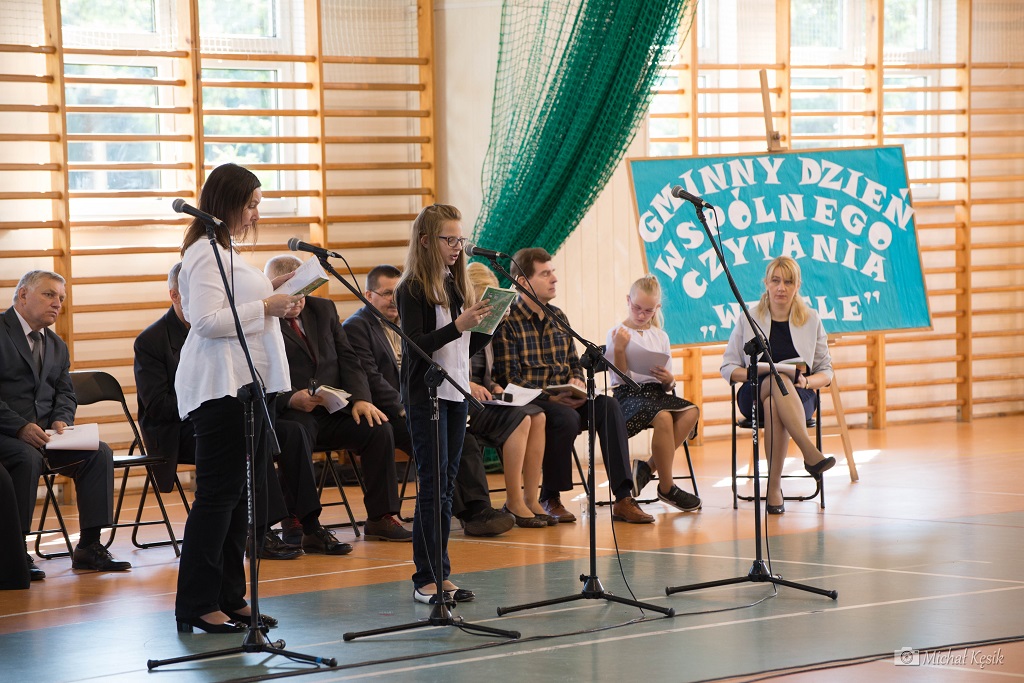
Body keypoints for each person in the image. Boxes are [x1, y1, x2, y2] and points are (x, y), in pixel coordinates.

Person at [172, 162, 303, 634]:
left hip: (246, 386)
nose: (255, 214)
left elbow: (237, 306)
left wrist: (277, 295)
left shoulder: (225, 251)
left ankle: (230, 596)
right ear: (227, 203)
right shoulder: (203, 253)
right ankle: (196, 603)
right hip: (219, 387)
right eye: (250, 205)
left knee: (237, 499)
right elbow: (206, 321)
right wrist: (266, 305)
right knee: (217, 498)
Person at [133, 262, 311, 561]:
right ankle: (260, 532)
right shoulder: (151, 340)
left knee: (290, 431)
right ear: (175, 295)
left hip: (225, 414)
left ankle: (307, 523)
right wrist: (208, 401)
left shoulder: (224, 325)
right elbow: (157, 405)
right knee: (243, 438)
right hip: (179, 428)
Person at [343, 265, 515, 538]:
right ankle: (468, 515)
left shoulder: (406, 321)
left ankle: (479, 509)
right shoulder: (357, 326)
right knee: (437, 443)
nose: (393, 300)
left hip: (424, 400)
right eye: (386, 293)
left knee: (464, 439)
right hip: (389, 411)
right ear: (368, 295)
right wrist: (402, 407)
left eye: (396, 293)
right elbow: (371, 378)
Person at [492, 248, 653, 524]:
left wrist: (577, 381)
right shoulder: (508, 321)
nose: (554, 278)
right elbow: (509, 377)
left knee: (608, 406)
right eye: (545, 273)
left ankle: (623, 498)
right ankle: (549, 497)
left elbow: (573, 363)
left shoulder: (558, 316)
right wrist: (550, 396)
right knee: (565, 417)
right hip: (532, 402)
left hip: (567, 397)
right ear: (522, 282)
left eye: (553, 272)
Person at [263, 254, 411, 544]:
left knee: (379, 428)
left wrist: (361, 399)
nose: (300, 300)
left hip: (333, 409)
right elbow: (257, 372)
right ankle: (297, 518)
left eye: (305, 292)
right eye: (293, 294)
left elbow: (349, 359)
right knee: (297, 433)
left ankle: (381, 517)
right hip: (290, 412)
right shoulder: (263, 319)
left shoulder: (324, 309)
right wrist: (290, 399)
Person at [0, 270, 132, 581]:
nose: (57, 303)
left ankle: (89, 547)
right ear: (23, 295)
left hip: (46, 436)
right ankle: (14, 551)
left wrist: (62, 419)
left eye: (61, 298)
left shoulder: (57, 345)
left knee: (98, 453)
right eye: (49, 294)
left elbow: (65, 393)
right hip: (6, 433)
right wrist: (20, 427)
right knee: (26, 457)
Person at [396, 203, 496, 605]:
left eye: (460, 239)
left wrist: (488, 324)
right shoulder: (412, 288)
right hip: (426, 396)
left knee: (447, 482)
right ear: (425, 241)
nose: (457, 246)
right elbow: (416, 345)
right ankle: (426, 577)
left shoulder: (454, 283)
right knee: (433, 485)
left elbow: (461, 347)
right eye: (449, 239)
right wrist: (459, 325)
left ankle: (442, 573)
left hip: (456, 393)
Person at [720, 255, 836, 514]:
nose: (781, 287)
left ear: (797, 286)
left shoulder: (811, 319)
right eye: (775, 281)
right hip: (753, 392)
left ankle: (774, 489)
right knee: (777, 377)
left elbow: (826, 371)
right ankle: (809, 452)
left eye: (788, 282)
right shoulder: (749, 318)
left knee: (775, 402)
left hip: (799, 395)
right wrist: (752, 372)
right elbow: (727, 367)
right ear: (766, 283)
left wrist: (807, 381)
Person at [465, 262, 551, 528]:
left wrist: (493, 386)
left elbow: (484, 371)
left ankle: (531, 498)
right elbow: (448, 365)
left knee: (538, 416)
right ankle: (513, 500)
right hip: (463, 401)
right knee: (520, 418)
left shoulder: (485, 326)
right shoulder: (459, 323)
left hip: (484, 398)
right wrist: (468, 384)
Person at [606, 275, 701, 512]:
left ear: (657, 308)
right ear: (628, 301)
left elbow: (668, 384)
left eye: (648, 311)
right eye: (636, 308)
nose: (641, 315)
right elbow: (618, 379)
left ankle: (647, 468)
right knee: (664, 417)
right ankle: (667, 488)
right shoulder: (616, 332)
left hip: (656, 393)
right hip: (628, 394)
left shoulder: (661, 336)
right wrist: (619, 348)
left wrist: (669, 380)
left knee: (691, 412)